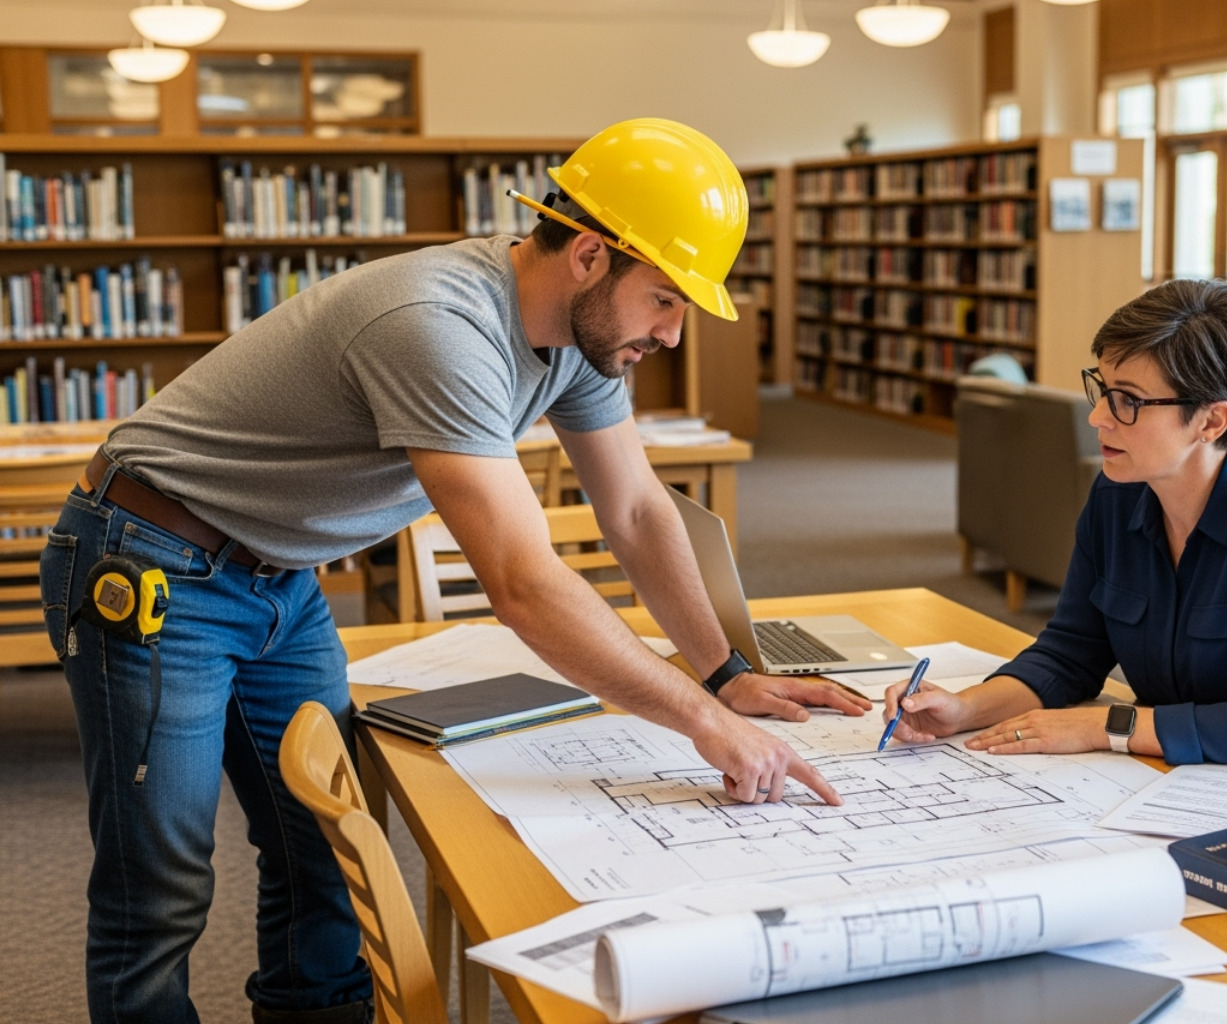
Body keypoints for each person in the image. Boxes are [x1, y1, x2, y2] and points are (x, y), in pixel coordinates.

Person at [39, 118, 869, 1024]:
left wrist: (725, 675)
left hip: (281, 577)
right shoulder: (438, 324)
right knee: (159, 884)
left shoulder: (581, 343)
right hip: (150, 559)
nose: (672, 334)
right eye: (666, 299)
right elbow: (522, 582)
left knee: (322, 849)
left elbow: (636, 511)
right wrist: (705, 723)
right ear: (590, 255)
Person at [883, 279, 1227, 788]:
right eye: (1103, 389)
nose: (1098, 417)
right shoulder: (1118, 492)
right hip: (1188, 774)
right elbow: (1070, 654)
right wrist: (964, 708)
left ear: (1212, 422)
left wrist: (1100, 726)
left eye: (1127, 400)